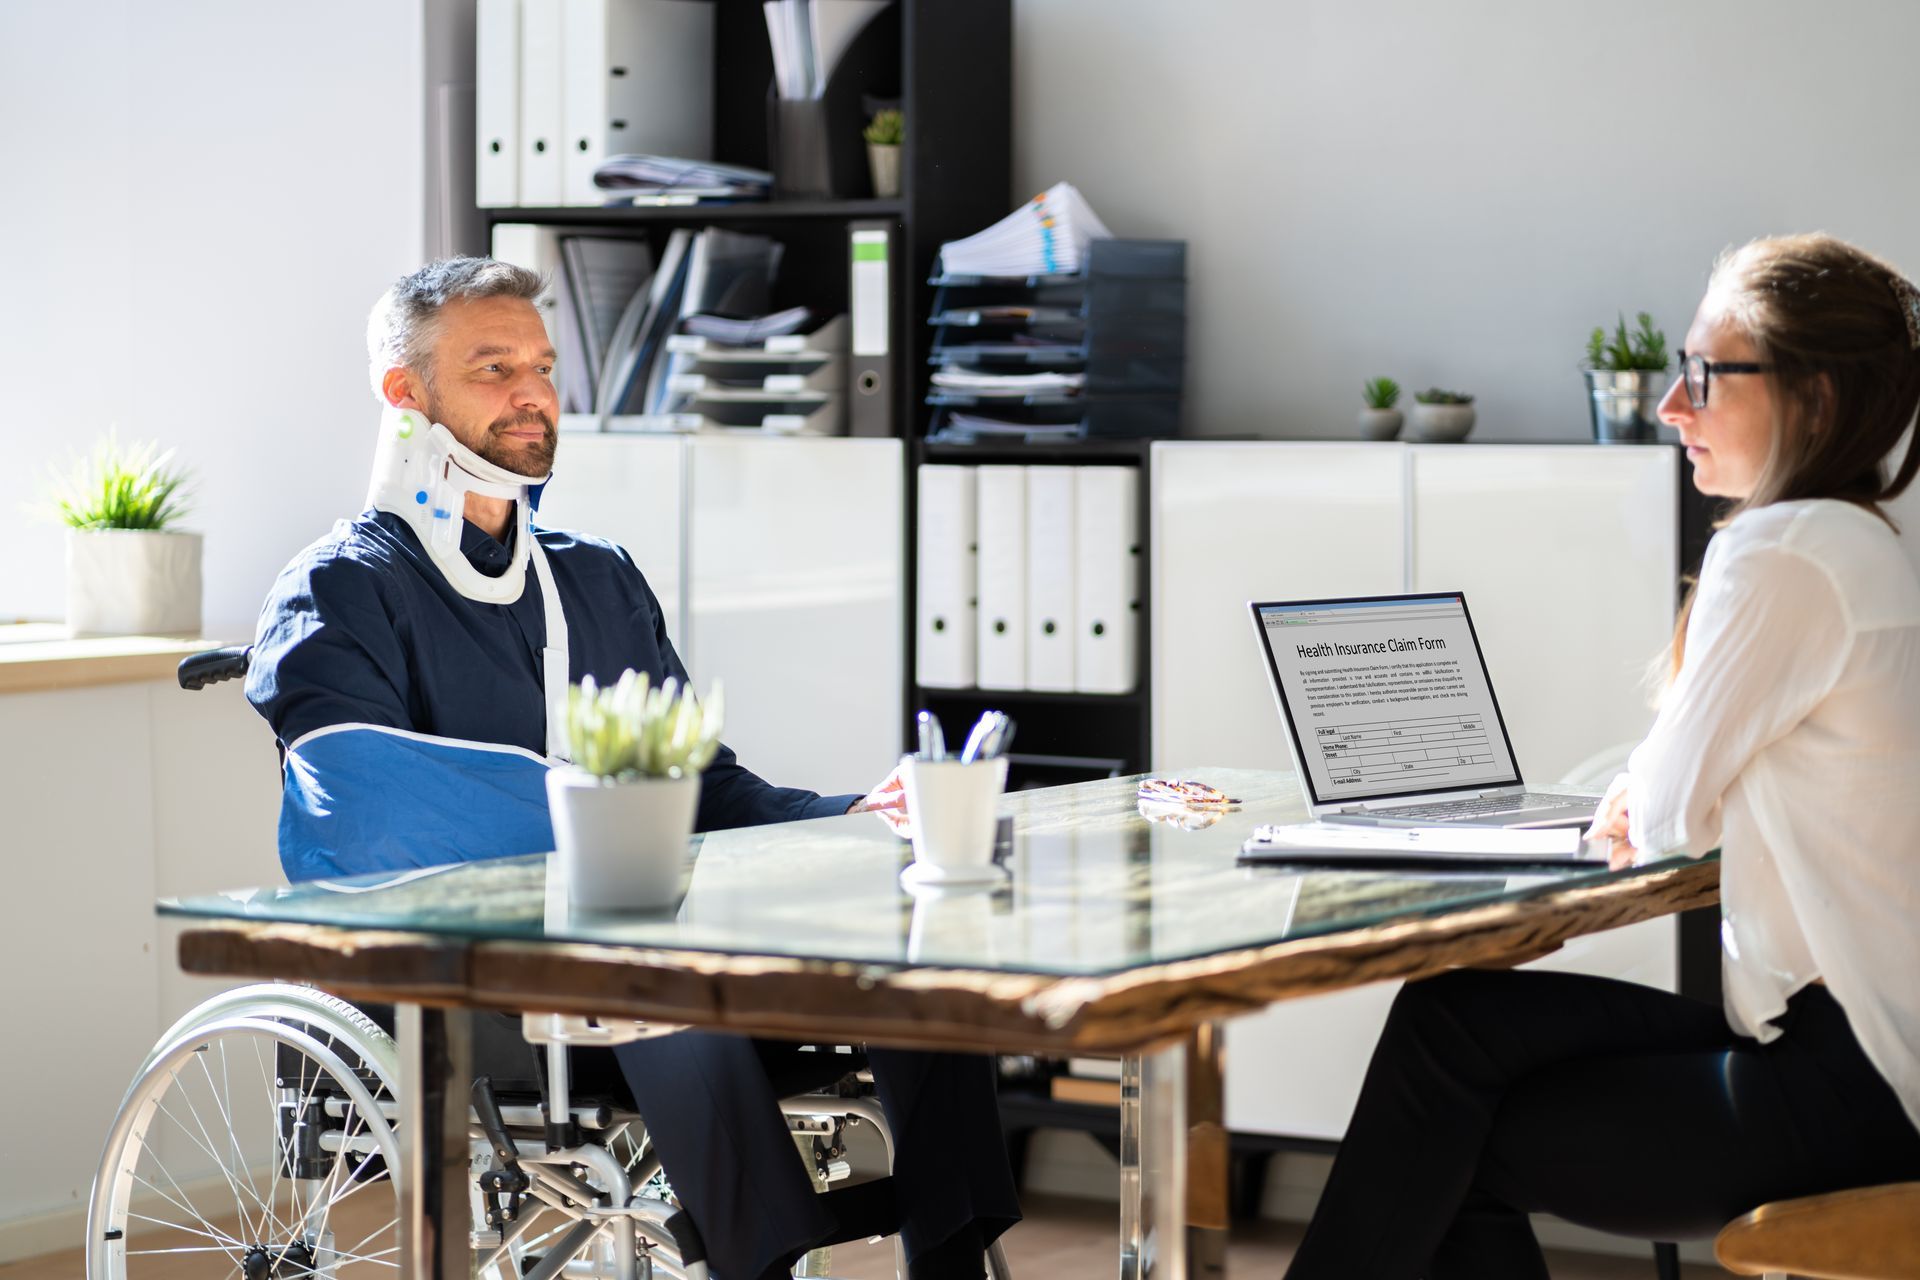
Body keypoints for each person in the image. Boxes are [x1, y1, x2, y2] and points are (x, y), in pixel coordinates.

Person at [245, 257, 1018, 1280]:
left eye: (543, 366)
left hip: (647, 946)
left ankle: (956, 1260)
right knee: (672, 1000)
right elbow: (361, 806)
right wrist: (618, 836)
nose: (532, 394)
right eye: (492, 369)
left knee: (920, 960)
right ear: (406, 394)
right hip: (475, 984)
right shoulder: (339, 587)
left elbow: (705, 791)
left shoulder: (596, 578)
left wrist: (855, 818)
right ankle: (760, 1263)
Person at [1282, 233, 1920, 1279]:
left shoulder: (1781, 550)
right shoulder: (1863, 543)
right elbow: (1685, 787)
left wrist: (1650, 784)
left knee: (1452, 1137)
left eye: (1707, 376)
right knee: (1447, 1020)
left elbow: (1667, 817)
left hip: (1841, 1086)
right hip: (1862, 1054)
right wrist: (1651, 781)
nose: (1673, 405)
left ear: (1814, 397)